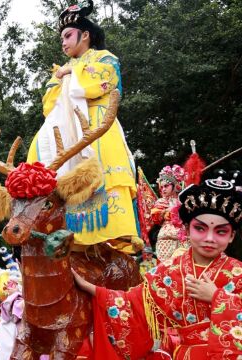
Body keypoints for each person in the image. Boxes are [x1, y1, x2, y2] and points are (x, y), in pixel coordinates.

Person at [73, 176, 242, 358]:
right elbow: (132, 304)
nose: (209, 238)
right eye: (200, 228)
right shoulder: (169, 270)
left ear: (232, 236)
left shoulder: (238, 272)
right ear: (186, 229)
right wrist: (93, 289)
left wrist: (217, 297)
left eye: (221, 231)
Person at [26, 0, 141, 254]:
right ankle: (71, 234)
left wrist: (69, 76)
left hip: (98, 124)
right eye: (61, 39)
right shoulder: (62, 70)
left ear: (85, 34)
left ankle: (114, 234)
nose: (64, 43)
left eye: (68, 35)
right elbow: (48, 102)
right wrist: (65, 77)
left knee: (106, 170)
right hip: (66, 127)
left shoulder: (104, 58)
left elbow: (104, 79)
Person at [152, 165, 187, 260]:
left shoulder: (184, 201)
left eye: (166, 186)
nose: (163, 189)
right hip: (166, 238)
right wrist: (170, 210)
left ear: (175, 186)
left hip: (184, 238)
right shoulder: (160, 202)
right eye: (161, 187)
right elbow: (156, 219)